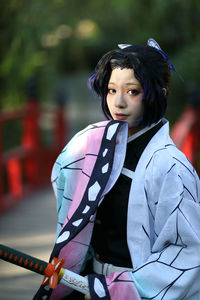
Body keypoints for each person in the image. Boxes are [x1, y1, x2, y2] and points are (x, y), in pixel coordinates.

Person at [33, 39, 200, 300]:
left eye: (132, 91)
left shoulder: (170, 167)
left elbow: (188, 253)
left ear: (161, 91)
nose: (119, 102)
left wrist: (116, 288)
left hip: (138, 290)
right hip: (88, 283)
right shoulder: (90, 144)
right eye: (111, 90)